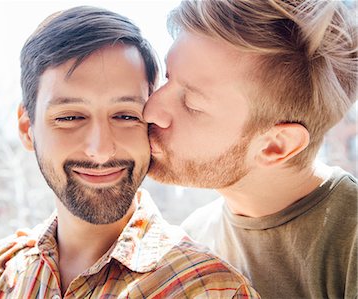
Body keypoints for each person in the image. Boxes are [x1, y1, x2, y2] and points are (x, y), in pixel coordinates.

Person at [0, 6, 261, 299]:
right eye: (70, 117)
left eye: (125, 115)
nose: (100, 149)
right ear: (27, 129)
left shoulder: (211, 291)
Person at [143, 0, 357, 298]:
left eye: (192, 105)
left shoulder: (350, 247)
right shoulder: (194, 236)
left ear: (275, 146)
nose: (150, 110)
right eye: (167, 77)